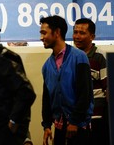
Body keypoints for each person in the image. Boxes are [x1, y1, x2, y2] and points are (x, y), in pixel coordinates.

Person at [40, 15, 93, 145]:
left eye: (44, 33)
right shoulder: (46, 66)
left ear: (57, 32)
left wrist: (74, 121)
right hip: (59, 127)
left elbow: (85, 94)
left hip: (79, 128)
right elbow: (47, 98)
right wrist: (46, 125)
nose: (41, 37)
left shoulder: (79, 57)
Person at [73, 18, 109, 145]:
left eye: (82, 33)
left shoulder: (100, 57)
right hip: (75, 120)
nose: (77, 36)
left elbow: (108, 90)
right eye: (75, 32)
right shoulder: (69, 57)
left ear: (92, 36)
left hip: (96, 120)